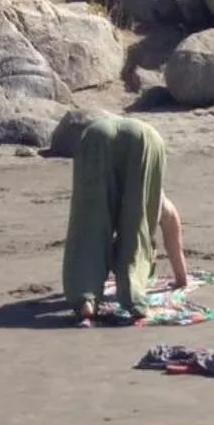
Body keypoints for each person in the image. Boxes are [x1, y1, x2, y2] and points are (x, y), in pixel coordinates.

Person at [61, 114, 190, 326]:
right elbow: (170, 219)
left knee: (88, 223)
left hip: (96, 134)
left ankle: (86, 299)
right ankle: (134, 299)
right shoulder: (154, 194)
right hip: (145, 137)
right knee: (137, 226)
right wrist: (181, 278)